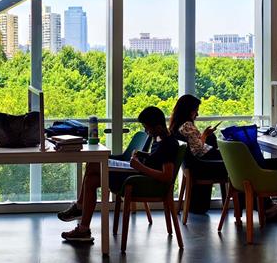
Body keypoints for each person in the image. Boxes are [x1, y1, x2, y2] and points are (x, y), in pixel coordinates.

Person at [59, 106, 179, 243]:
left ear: (157, 126)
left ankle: (80, 211)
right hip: (137, 175)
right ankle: (83, 228)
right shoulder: (160, 138)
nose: (146, 131)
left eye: (147, 128)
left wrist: (139, 166)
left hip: (139, 181)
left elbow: (166, 177)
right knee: (91, 178)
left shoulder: (168, 144)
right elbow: (156, 159)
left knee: (92, 166)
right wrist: (142, 155)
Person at [168, 94, 227, 214]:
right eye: (196, 111)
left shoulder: (177, 126)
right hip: (201, 163)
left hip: (193, 163)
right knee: (235, 164)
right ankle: (240, 204)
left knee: (215, 142)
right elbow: (198, 150)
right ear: (189, 111)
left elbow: (193, 146)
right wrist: (205, 135)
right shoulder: (187, 126)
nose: (197, 114)